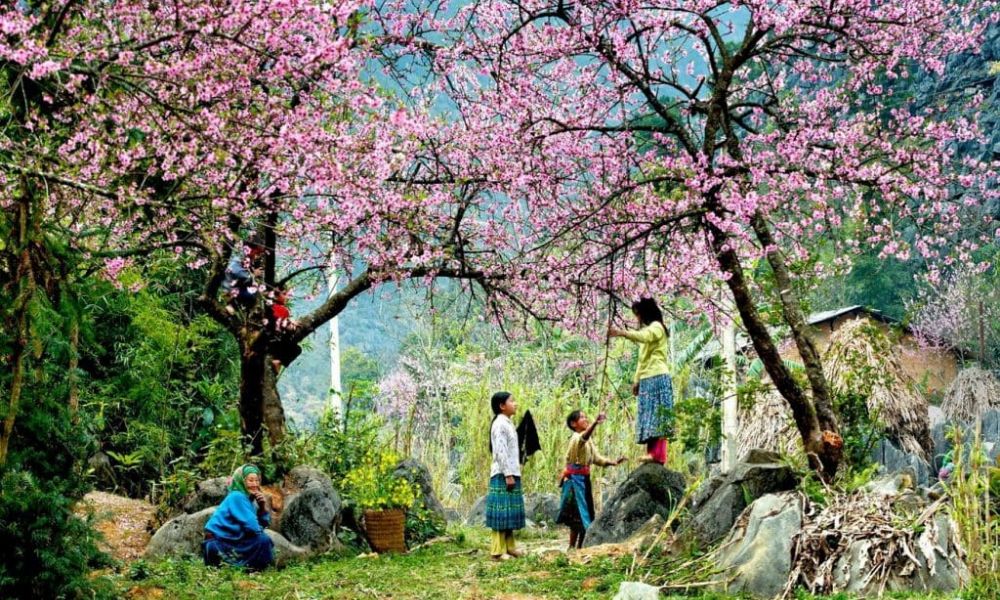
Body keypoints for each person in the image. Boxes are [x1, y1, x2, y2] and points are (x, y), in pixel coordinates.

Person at [609, 297, 674, 465]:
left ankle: (658, 454)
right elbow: (642, 360)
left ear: (645, 313)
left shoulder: (657, 327)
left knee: (658, 415)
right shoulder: (651, 330)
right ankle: (652, 453)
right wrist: (636, 380)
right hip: (647, 378)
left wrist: (622, 333)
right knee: (648, 416)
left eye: (638, 314)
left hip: (658, 375)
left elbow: (645, 336)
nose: (637, 318)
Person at [556, 410, 626, 550]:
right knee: (577, 514)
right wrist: (595, 423)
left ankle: (580, 547)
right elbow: (583, 439)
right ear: (573, 424)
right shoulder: (576, 438)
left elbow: (596, 458)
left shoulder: (588, 442)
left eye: (585, 417)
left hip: (584, 479)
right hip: (575, 481)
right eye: (582, 417)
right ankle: (571, 547)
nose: (586, 419)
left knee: (586, 513)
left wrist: (613, 462)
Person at [203, 464, 275, 571]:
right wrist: (259, 531)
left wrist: (262, 507)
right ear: (241, 481)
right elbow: (253, 527)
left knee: (263, 539)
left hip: (231, 542)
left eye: (257, 480)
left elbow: (263, 525)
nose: (255, 484)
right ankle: (248, 568)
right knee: (263, 540)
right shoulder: (237, 496)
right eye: (250, 480)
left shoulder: (248, 500)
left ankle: (248, 569)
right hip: (218, 544)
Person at [486, 391, 525, 561]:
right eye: (512, 401)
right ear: (502, 406)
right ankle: (497, 551)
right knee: (501, 512)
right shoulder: (500, 424)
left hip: (511, 472)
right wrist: (508, 474)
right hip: (503, 474)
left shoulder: (507, 423)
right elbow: (500, 452)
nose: (515, 404)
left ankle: (509, 547)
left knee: (508, 512)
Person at [222, 238, 265, 310]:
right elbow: (236, 273)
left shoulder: (249, 261)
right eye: (257, 253)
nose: (258, 255)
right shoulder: (240, 258)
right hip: (233, 290)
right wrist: (253, 274)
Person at [267, 289, 302, 374]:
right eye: (284, 294)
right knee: (296, 349)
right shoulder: (281, 309)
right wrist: (290, 324)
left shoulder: (269, 306)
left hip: (269, 339)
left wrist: (289, 321)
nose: (287, 297)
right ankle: (278, 362)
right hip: (274, 340)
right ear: (276, 296)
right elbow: (282, 325)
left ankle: (277, 361)